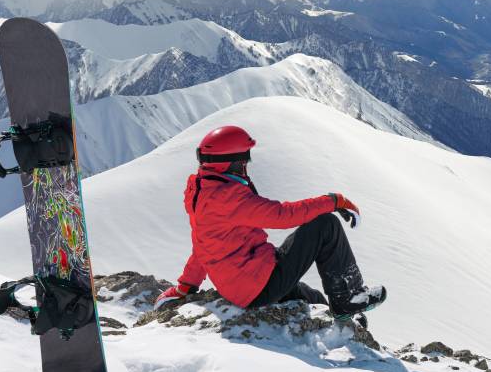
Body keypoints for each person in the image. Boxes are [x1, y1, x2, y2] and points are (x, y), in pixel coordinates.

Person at [153, 125, 387, 319]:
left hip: (248, 280)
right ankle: (349, 298)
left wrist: (186, 287)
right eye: (244, 159)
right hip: (257, 286)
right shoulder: (228, 197)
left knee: (313, 298)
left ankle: (345, 316)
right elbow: (282, 215)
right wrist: (334, 201)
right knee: (325, 225)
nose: (246, 164)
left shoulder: (203, 192)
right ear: (231, 162)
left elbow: (204, 245)